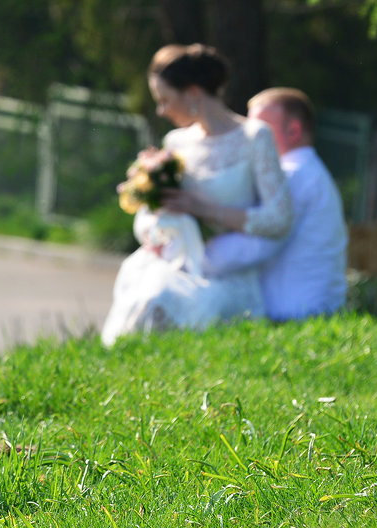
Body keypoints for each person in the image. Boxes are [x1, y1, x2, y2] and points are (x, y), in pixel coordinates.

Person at [100, 44, 293, 346]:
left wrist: (205, 209)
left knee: (161, 300)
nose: (161, 110)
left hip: (227, 271)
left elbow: (279, 219)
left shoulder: (255, 137)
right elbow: (160, 211)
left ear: (192, 93)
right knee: (146, 292)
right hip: (180, 263)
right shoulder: (176, 142)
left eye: (164, 100)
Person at [206, 87, 347, 320]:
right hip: (308, 309)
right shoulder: (308, 172)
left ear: (293, 131)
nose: (251, 138)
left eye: (260, 129)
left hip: (295, 312)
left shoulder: (293, 176)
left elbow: (259, 244)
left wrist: (193, 255)